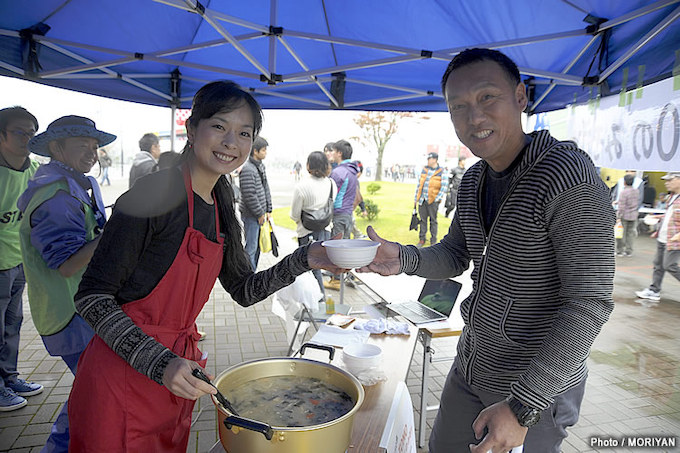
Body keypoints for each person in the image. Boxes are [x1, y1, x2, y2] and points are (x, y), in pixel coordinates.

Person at [358, 48, 614, 453]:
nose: (473, 117)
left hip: (533, 391)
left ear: (520, 97)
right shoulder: (475, 178)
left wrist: (524, 406)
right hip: (471, 367)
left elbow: (589, 303)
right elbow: (456, 254)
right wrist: (403, 258)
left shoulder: (566, 175)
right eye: (458, 106)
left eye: (486, 98)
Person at [65, 80, 343, 452]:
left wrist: (304, 259)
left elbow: (244, 290)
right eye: (219, 126)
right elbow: (92, 297)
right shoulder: (152, 195)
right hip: (122, 378)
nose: (231, 142)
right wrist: (159, 361)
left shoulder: (221, 205)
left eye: (244, 133)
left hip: (176, 377)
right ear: (192, 129)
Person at [17, 115, 115, 451]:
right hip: (69, 316)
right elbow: (66, 264)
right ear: (56, 148)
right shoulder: (55, 195)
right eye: (82, 145)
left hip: (85, 309)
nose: (92, 153)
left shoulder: (77, 182)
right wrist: (116, 232)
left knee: (94, 389)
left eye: (94, 146)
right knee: (96, 390)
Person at [0, 106, 43, 412]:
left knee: (13, 324)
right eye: (19, 132)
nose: (27, 138)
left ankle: (9, 377)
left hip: (20, 263)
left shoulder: (35, 170)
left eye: (31, 132)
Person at [290, 151, 337, 297]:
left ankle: (315, 298)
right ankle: (318, 297)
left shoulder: (301, 186)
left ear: (308, 165)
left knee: (307, 267)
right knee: (319, 265)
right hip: (325, 230)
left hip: (306, 231)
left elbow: (294, 215)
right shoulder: (331, 184)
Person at [635, 171, 680, 302]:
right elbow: (671, 215)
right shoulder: (672, 197)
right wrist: (658, 218)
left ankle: (654, 290)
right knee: (658, 265)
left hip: (675, 239)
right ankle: (654, 290)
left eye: (670, 180)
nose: (667, 183)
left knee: (669, 265)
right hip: (663, 237)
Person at [325, 139, 360, 290]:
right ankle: (343, 276)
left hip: (338, 214)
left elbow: (330, 195)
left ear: (339, 153)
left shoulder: (338, 172)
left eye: (333, 151)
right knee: (345, 247)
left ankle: (336, 280)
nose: (331, 154)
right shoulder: (353, 172)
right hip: (348, 215)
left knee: (337, 248)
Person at [238, 136, 271, 270]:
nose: (266, 153)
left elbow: (265, 188)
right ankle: (247, 276)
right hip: (252, 216)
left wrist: (269, 209)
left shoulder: (260, 167)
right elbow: (249, 194)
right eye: (263, 150)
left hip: (260, 215)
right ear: (255, 151)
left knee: (257, 247)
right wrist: (259, 213)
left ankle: (253, 273)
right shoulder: (248, 169)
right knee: (251, 248)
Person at [414, 151, 448, 247]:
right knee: (423, 220)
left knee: (433, 220)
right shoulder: (424, 170)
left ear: (435, 160)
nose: (428, 161)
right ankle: (422, 239)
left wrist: (437, 199)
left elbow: (444, 186)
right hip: (422, 200)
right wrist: (416, 198)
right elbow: (419, 184)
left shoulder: (441, 171)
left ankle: (433, 240)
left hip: (433, 200)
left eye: (429, 159)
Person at [616, 173, 640, 257]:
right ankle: (629, 251)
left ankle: (620, 250)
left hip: (624, 216)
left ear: (624, 182)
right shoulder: (636, 191)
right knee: (630, 234)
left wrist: (618, 216)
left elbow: (622, 206)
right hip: (633, 215)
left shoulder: (623, 192)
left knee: (620, 233)